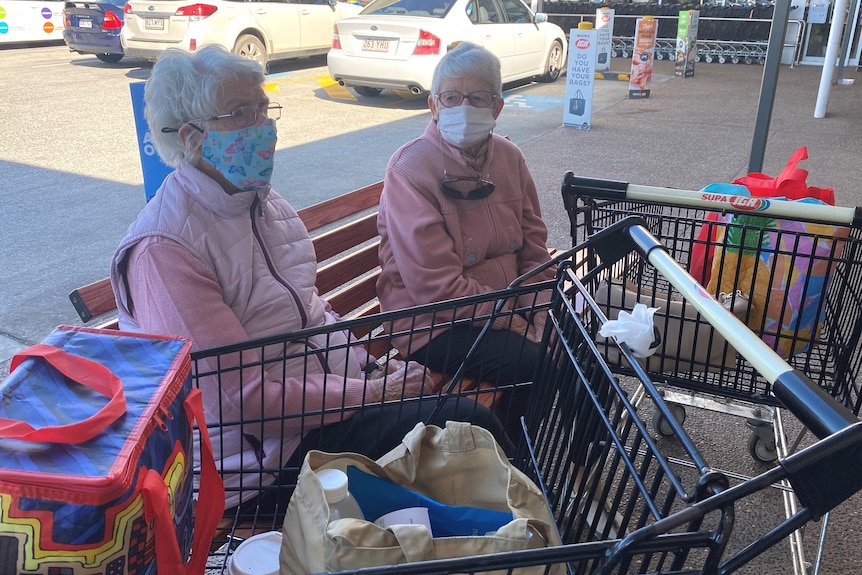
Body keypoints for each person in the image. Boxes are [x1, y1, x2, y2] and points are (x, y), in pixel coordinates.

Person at [109, 45, 511, 510]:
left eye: (264, 108)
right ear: (191, 137)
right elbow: (236, 400)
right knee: (465, 432)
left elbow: (310, 309)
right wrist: (373, 392)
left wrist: (373, 366)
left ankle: (521, 535)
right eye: (242, 112)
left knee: (465, 445)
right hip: (257, 462)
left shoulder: (261, 202)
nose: (265, 127)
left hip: (322, 411)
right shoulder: (165, 249)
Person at [376, 42, 556, 439]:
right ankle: (514, 464)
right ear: (433, 106)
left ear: (496, 107)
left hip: (498, 309)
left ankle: (579, 460)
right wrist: (513, 320)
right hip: (431, 324)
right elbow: (435, 288)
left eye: (476, 98)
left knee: (574, 346)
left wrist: (542, 312)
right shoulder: (410, 169)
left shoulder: (510, 158)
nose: (462, 107)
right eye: (451, 98)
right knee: (538, 363)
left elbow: (533, 251)